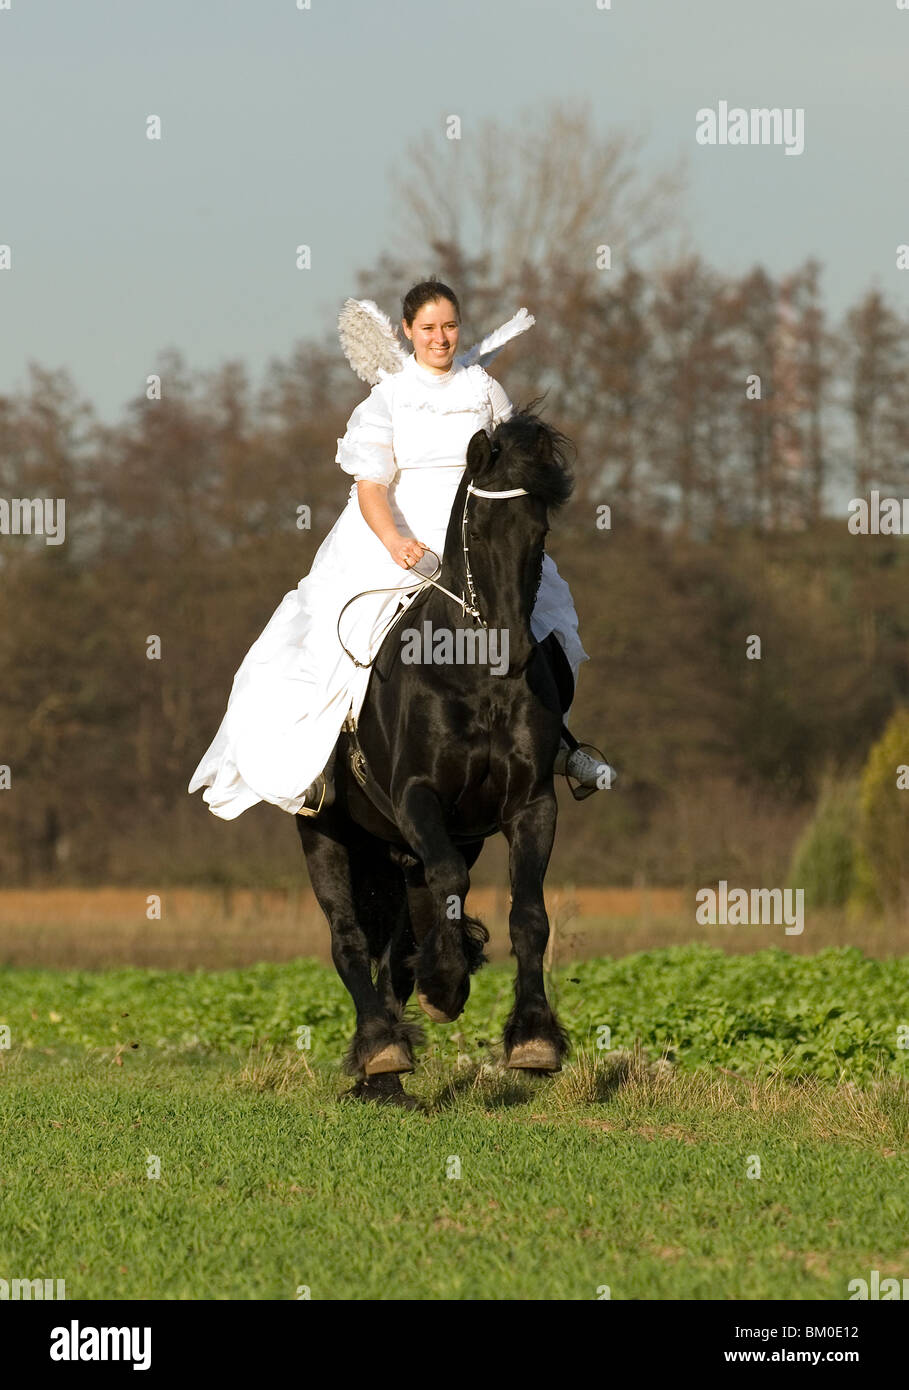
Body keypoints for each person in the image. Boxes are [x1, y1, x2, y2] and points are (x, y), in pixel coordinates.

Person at [188, 280, 610, 820]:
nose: (441, 339)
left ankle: (556, 745)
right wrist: (394, 541)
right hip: (400, 535)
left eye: (451, 326)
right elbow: (371, 486)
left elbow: (514, 466)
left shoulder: (484, 389)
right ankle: (326, 760)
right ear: (407, 331)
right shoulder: (388, 397)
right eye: (429, 328)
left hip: (479, 537)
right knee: (339, 638)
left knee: (540, 627)